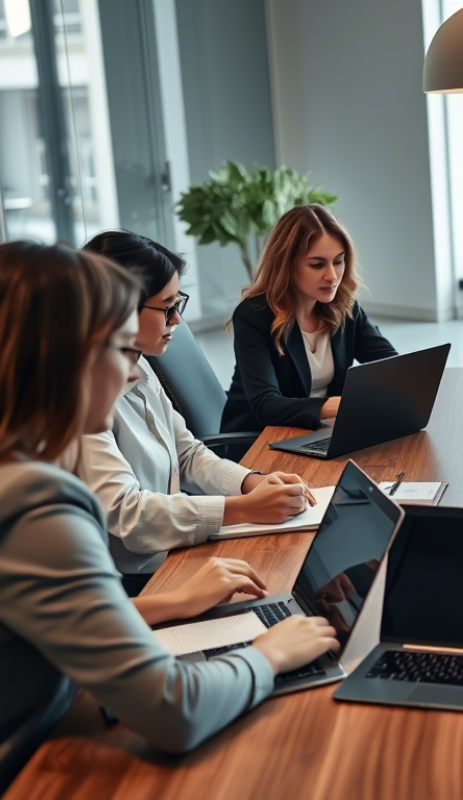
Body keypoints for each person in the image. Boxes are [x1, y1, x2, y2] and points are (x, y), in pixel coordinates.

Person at [0, 242, 338, 770]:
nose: (131, 373)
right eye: (116, 348)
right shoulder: (35, 504)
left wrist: (168, 604)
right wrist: (269, 655)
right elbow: (175, 710)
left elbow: (36, 624)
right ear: (61, 361)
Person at [72, 231, 315, 596]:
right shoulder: (80, 399)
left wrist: (250, 482)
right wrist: (242, 509)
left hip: (172, 546)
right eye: (167, 308)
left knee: (298, 567)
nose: (177, 321)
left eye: (178, 304)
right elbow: (128, 514)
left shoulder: (139, 360)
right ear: (117, 309)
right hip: (135, 579)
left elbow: (187, 453)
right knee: (282, 584)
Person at [221, 205, 397, 433]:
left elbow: (392, 368)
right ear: (287, 265)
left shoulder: (346, 308)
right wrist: (337, 406)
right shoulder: (254, 316)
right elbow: (265, 405)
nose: (332, 276)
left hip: (320, 431)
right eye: (317, 264)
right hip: (259, 441)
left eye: (338, 261)